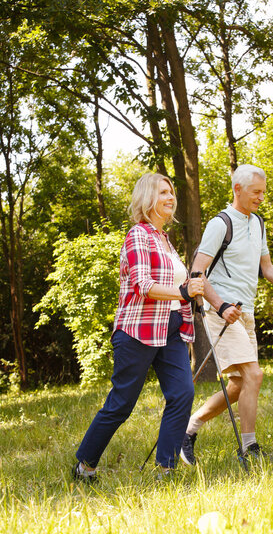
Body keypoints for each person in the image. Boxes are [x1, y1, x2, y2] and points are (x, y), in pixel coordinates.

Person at [180, 164, 273, 466]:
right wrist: (220, 305)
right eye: (256, 192)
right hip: (221, 312)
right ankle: (248, 448)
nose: (261, 198)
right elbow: (197, 272)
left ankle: (189, 428)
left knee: (240, 384)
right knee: (255, 374)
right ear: (237, 189)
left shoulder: (258, 223)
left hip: (246, 312)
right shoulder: (221, 223)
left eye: (263, 193)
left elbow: (267, 270)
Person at [72, 172, 204, 481]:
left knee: (182, 394)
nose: (170, 197)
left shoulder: (165, 240)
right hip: (137, 332)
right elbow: (143, 285)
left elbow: (179, 285)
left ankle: (166, 469)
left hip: (171, 330)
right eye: (162, 193)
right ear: (147, 199)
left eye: (171, 192)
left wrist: (192, 294)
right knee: (121, 404)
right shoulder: (138, 235)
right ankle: (84, 466)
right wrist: (184, 291)